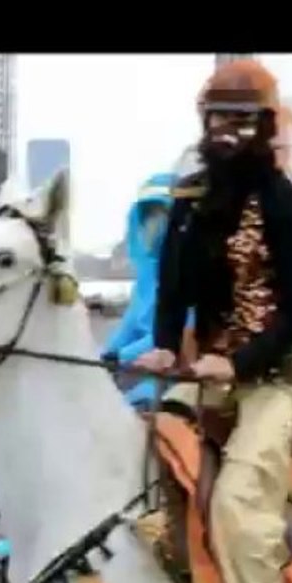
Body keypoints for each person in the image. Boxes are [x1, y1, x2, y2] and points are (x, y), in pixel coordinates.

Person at [134, 59, 292, 583]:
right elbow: (172, 290)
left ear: (265, 126)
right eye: (217, 119)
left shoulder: (286, 204)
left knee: (238, 506)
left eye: (239, 120)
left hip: (273, 379)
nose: (225, 131)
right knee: (139, 471)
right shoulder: (188, 201)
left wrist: (238, 364)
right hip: (203, 374)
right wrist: (165, 347)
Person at [102, 172, 195, 410]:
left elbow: (177, 331)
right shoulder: (146, 276)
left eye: (161, 213)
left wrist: (122, 357)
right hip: (135, 369)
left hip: (175, 369)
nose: (153, 222)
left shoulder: (192, 271)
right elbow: (129, 326)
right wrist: (104, 357)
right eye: (147, 215)